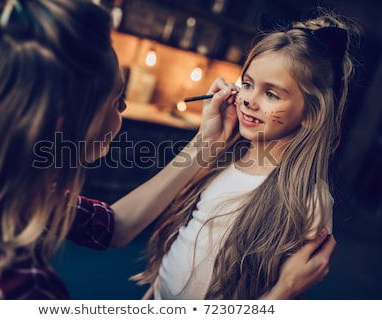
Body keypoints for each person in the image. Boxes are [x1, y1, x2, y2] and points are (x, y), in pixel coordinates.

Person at [0, 0, 336, 299]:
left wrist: (205, 144)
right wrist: (282, 293)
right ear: (62, 126)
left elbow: (113, 226)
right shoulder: (20, 291)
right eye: (116, 103)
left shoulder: (2, 196)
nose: (249, 99)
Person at [132, 9, 359, 299]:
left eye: (272, 94)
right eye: (248, 84)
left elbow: (289, 288)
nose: (249, 100)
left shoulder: (309, 200)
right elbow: (188, 242)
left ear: (312, 114)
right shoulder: (222, 161)